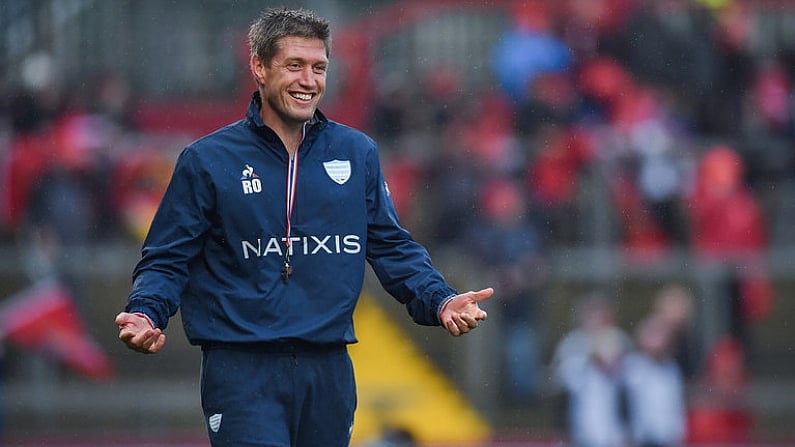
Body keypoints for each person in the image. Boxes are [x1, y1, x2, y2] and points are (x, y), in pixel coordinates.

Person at [114, 7, 493, 447]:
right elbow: (167, 257)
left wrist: (440, 299)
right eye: (294, 65)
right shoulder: (207, 160)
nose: (308, 80)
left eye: (319, 68)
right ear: (259, 66)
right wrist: (147, 311)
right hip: (242, 369)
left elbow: (391, 247)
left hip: (328, 368)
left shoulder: (357, 153)